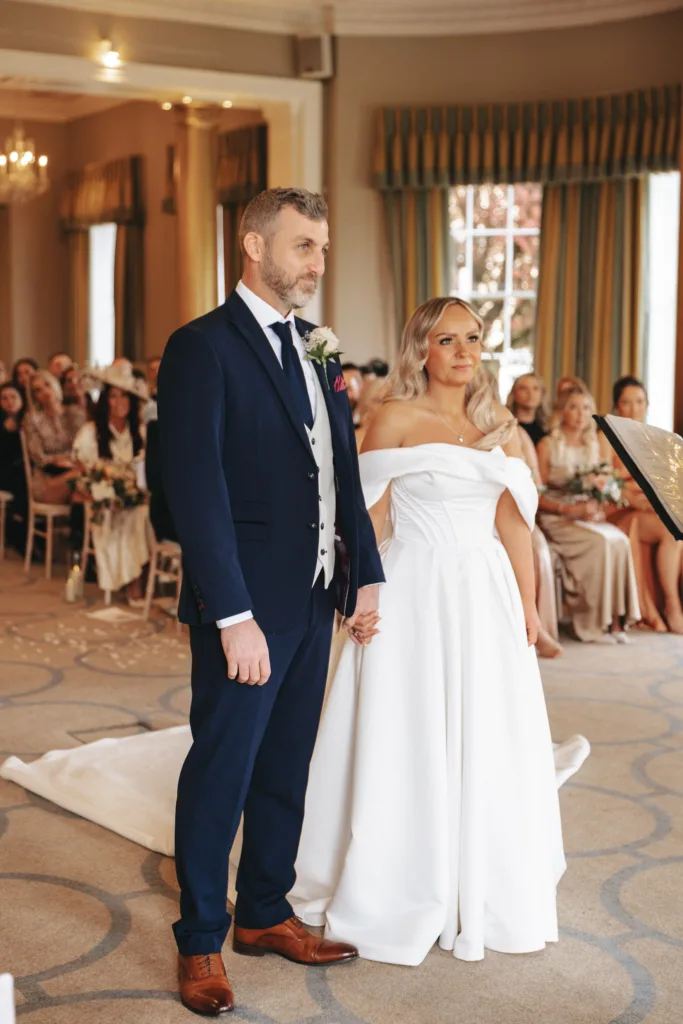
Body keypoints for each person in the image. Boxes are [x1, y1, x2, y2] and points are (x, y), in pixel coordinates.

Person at [291, 296, 576, 966]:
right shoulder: (393, 417)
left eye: (472, 338)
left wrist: (529, 610)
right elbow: (369, 515)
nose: (463, 352)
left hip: (484, 593)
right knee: (406, 728)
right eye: (447, 340)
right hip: (413, 584)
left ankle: (477, 879)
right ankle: (396, 880)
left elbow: (513, 527)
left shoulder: (500, 425)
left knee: (484, 730)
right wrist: (357, 592)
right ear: (421, 348)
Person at [157, 187, 384, 1016]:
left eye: (321, 247)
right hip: (245, 608)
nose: (317, 262)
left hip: (315, 595)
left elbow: (340, 472)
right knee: (223, 768)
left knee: (287, 763)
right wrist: (232, 615)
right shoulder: (201, 348)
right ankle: (199, 939)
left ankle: (262, 911)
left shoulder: (317, 349)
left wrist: (363, 573)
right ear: (253, 246)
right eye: (302, 246)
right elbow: (196, 492)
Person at [536, 386, 639, 643]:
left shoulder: (593, 445)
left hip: (585, 515)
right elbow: (535, 494)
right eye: (573, 407)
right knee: (600, 543)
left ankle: (616, 622)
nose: (580, 414)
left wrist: (595, 508)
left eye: (586, 408)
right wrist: (567, 509)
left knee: (620, 540)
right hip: (556, 516)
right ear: (562, 411)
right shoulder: (547, 445)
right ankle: (593, 623)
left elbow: (604, 484)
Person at [605, 376, 683, 633]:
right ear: (617, 406)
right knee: (670, 529)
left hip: (648, 510)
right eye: (626, 402)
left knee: (676, 526)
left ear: (647, 405)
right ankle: (670, 606)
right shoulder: (606, 436)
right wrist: (635, 498)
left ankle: (673, 604)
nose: (634, 408)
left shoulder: (654, 439)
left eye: (639, 402)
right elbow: (605, 483)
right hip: (617, 509)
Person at [72, 364, 149, 601]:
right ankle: (133, 583)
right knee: (125, 516)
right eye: (113, 396)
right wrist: (100, 491)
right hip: (102, 501)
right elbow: (82, 471)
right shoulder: (91, 431)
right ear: (106, 401)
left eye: (124, 396)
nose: (119, 402)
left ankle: (136, 579)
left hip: (134, 499)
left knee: (142, 514)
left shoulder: (140, 432)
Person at [517, 426, 563, 658]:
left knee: (537, 550)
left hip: (515, 509)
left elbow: (535, 482)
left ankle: (536, 626)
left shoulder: (516, 432)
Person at [23, 370, 85, 504]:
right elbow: (39, 457)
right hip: (47, 479)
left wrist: (71, 461)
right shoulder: (33, 420)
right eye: (38, 390)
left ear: (54, 385)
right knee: (80, 479)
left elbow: (85, 447)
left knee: (83, 488)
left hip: (76, 470)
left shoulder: (76, 414)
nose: (45, 392)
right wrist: (62, 459)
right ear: (34, 397)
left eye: (47, 385)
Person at [0, 382, 28, 550]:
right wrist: (5, 432)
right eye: (4, 398)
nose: (9, 402)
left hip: (24, 473)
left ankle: (19, 523)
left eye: (13, 397)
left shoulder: (29, 421)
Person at [507, 371, 550, 446]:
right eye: (524, 388)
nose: (530, 393)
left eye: (535, 388)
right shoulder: (506, 426)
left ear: (542, 394)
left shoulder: (548, 427)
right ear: (514, 393)